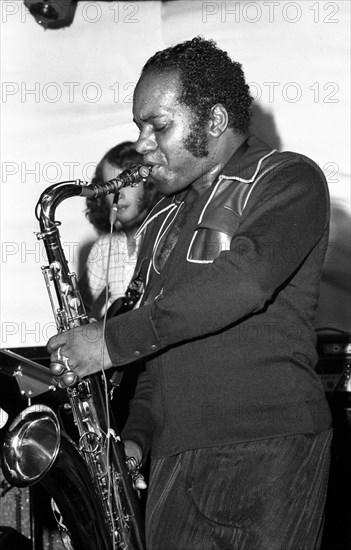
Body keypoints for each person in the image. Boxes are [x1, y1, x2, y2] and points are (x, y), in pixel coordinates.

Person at [48, 37, 332, 550]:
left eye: (158, 125)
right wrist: (135, 439)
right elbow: (161, 353)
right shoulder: (161, 218)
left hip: (266, 444)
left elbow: (245, 281)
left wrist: (108, 343)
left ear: (215, 121)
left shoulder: (287, 178)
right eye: (139, 127)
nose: (142, 143)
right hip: (176, 456)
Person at [80, 141, 157, 319]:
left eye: (129, 184)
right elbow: (80, 304)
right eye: (111, 186)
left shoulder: (168, 234)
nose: (118, 194)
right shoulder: (105, 245)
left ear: (150, 184)